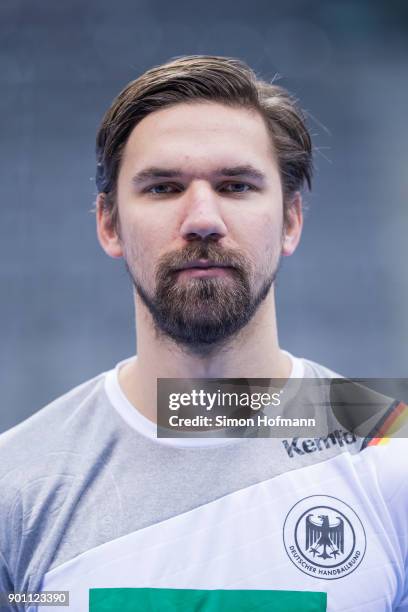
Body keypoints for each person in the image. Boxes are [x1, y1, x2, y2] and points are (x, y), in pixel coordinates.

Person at [0, 55, 407, 612]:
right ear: (108, 224)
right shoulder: (16, 481)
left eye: (236, 185)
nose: (202, 219)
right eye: (164, 188)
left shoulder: (392, 444)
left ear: (291, 220)